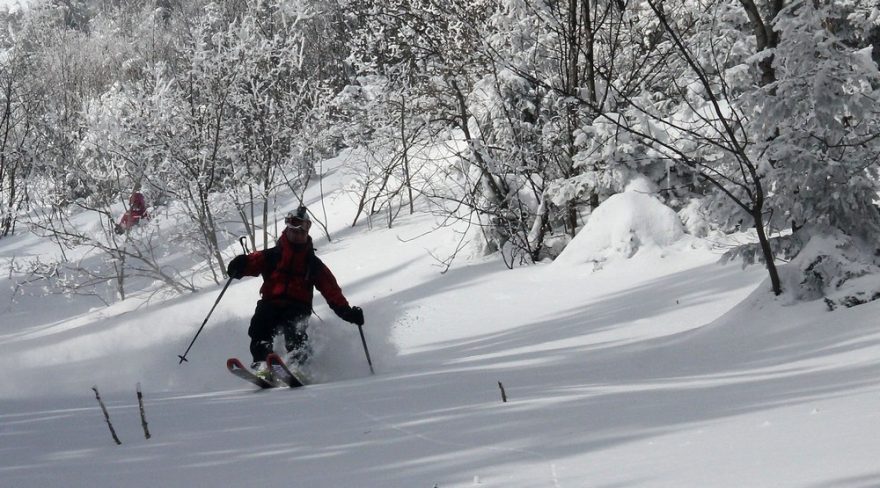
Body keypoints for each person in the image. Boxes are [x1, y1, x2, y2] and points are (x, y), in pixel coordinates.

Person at [226, 205, 364, 377]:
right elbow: (251, 263)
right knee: (260, 325)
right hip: (271, 302)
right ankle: (262, 364)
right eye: (294, 231)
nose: (298, 235)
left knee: (295, 331)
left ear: (306, 233)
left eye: (302, 232)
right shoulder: (272, 255)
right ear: (287, 230)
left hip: (298, 305)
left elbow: (331, 290)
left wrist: (347, 312)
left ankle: (298, 366)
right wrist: (239, 265)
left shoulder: (313, 263)